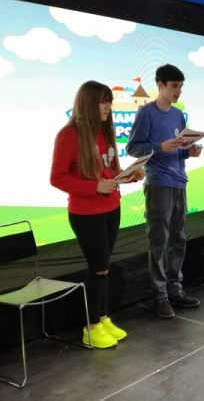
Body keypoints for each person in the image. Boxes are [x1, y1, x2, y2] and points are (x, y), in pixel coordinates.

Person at [50, 80, 144, 348]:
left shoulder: (104, 132)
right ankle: (91, 328)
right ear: (88, 103)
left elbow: (110, 171)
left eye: (109, 102)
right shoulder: (69, 135)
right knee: (99, 268)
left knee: (104, 267)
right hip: (86, 213)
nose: (108, 107)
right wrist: (94, 187)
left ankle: (102, 319)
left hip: (112, 207)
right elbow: (57, 177)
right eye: (103, 102)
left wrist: (129, 175)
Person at [126, 64, 202, 319]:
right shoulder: (146, 113)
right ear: (160, 85)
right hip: (158, 183)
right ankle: (159, 296)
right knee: (159, 240)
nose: (178, 91)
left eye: (181, 86)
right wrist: (160, 147)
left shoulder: (178, 115)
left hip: (179, 182)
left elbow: (178, 149)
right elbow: (133, 148)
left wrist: (189, 151)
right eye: (174, 86)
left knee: (178, 239)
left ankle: (174, 289)